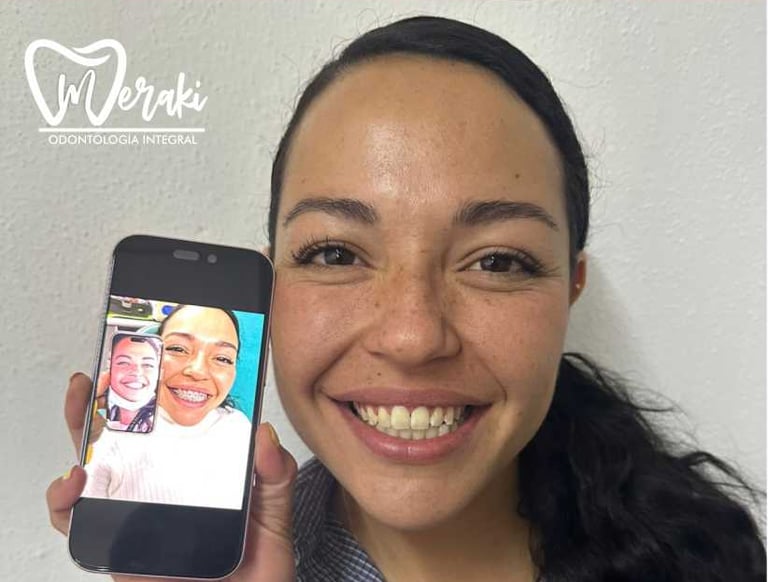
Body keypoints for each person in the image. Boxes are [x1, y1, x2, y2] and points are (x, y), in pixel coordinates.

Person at [47, 15, 764, 582]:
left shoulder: (706, 547)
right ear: (273, 288)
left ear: (570, 288)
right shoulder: (237, 567)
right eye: (334, 253)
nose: (414, 336)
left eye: (497, 261)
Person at [81, 304, 252, 509]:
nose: (198, 371)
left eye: (223, 358)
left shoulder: (238, 427)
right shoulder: (111, 435)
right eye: (177, 349)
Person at [103, 334, 161, 433]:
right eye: (124, 362)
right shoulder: (100, 414)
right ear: (109, 366)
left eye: (148, 365)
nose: (136, 372)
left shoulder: (166, 424)